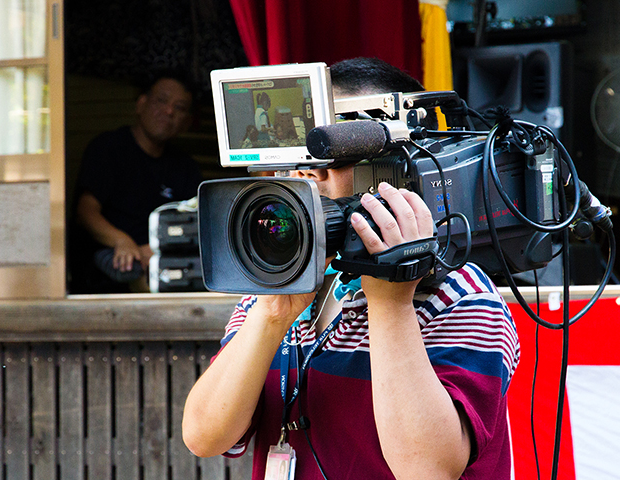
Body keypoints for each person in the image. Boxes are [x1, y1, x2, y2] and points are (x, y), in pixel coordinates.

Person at [182, 57, 520, 479]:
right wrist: (271, 315)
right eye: (295, 153)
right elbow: (204, 436)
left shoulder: (459, 294)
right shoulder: (281, 283)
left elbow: (428, 469)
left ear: (401, 164)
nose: (305, 170)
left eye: (331, 153)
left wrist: (390, 304)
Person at [69, 72, 204, 293]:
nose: (169, 111)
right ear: (141, 104)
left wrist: (159, 248)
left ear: (186, 123)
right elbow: (86, 212)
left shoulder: (185, 167)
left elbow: (198, 223)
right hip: (113, 263)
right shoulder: (108, 148)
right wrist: (121, 241)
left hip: (165, 262)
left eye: (179, 107)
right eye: (161, 100)